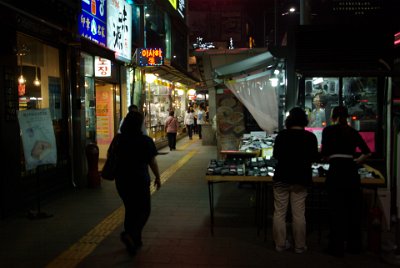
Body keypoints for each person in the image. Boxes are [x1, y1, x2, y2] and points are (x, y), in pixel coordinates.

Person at [321, 106, 371, 257]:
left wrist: (331, 157)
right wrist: (355, 162)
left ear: (333, 117)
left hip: (335, 171)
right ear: (347, 117)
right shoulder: (352, 132)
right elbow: (367, 152)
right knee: (352, 210)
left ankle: (336, 246)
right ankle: (354, 246)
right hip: (350, 171)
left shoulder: (328, 131)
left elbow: (325, 154)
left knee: (336, 210)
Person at [272, 107, 319, 254]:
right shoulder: (310, 137)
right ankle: (299, 246)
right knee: (298, 214)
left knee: (279, 212)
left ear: (289, 120)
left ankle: (280, 244)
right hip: (301, 179)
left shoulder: (281, 136)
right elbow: (314, 158)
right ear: (304, 120)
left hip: (282, 177)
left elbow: (276, 156)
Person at [115, 111, 161, 255]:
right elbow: (152, 161)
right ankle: (131, 235)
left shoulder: (119, 139)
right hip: (139, 180)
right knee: (144, 210)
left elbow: (112, 157)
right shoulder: (145, 140)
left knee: (130, 209)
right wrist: (158, 177)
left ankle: (136, 240)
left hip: (122, 180)